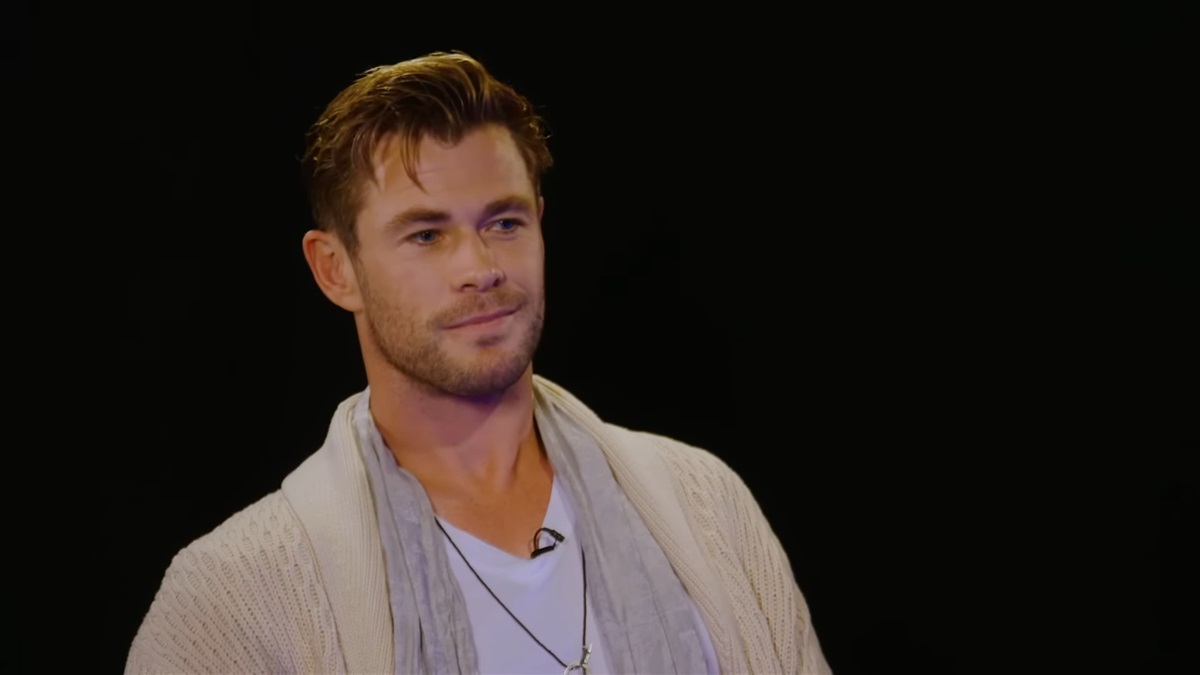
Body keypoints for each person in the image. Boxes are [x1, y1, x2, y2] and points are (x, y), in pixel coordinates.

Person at [126, 51, 831, 674]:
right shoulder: (234, 598)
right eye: (427, 234)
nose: (481, 267)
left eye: (504, 221)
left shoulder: (705, 504)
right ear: (335, 269)